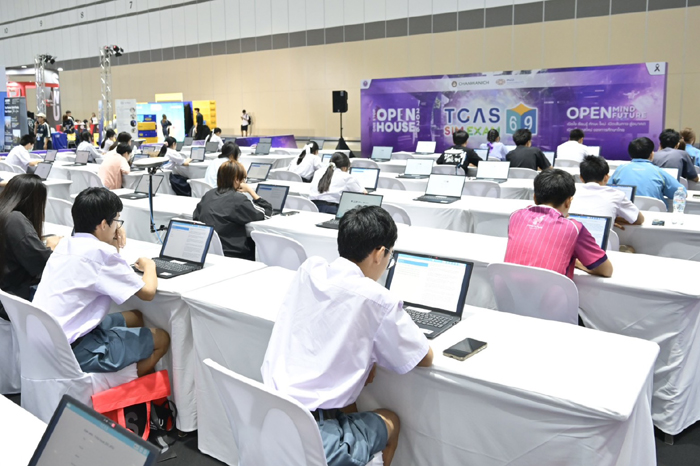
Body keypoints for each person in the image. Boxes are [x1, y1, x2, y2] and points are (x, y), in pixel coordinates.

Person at [262, 205, 433, 466]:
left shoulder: (310, 269)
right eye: (389, 256)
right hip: (314, 438)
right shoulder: (378, 299)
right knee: (391, 421)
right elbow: (423, 357)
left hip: (270, 416)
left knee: (348, 404)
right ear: (379, 253)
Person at [33, 188, 170, 376]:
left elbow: (108, 270)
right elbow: (148, 292)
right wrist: (149, 265)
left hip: (49, 340)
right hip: (75, 350)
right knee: (162, 339)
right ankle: (122, 380)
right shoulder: (101, 254)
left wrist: (112, 242)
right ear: (104, 224)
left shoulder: (65, 244)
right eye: (117, 221)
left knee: (136, 317)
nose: (118, 227)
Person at [505, 169, 613, 278]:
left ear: (535, 198)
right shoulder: (574, 228)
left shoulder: (515, 216)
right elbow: (606, 270)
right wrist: (579, 265)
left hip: (508, 287)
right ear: (568, 202)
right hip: (550, 289)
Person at [0, 175, 61, 320]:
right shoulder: (15, 221)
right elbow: (43, 266)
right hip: (12, 302)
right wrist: (52, 246)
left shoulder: (5, 214)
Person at [193, 161, 272, 260]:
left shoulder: (208, 195)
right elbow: (266, 213)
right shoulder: (238, 199)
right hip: (234, 254)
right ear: (236, 179)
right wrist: (251, 191)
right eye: (243, 178)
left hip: (209, 251)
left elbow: (195, 217)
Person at [571, 155, 644, 227]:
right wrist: (613, 219)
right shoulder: (617, 195)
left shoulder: (570, 192)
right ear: (606, 178)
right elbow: (638, 219)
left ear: (581, 178)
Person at [609, 137, 685, 201]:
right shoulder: (659, 172)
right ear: (652, 154)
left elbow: (608, 190)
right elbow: (682, 193)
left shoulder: (620, 170)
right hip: (654, 212)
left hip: (625, 213)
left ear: (630, 155)